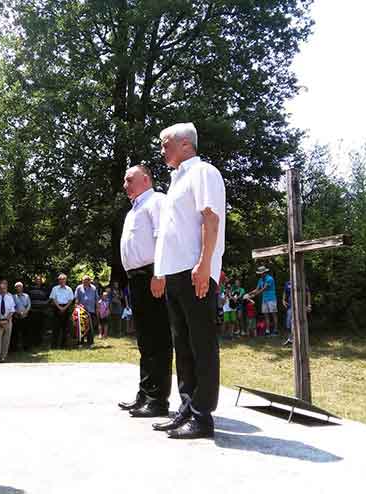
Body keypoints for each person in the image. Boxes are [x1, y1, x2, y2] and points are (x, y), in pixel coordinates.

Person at [151, 122, 225, 439]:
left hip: (195, 270)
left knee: (201, 344)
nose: (161, 149)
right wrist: (161, 271)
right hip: (176, 273)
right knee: (182, 345)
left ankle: (202, 416)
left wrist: (204, 263)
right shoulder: (176, 180)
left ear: (185, 144)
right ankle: (187, 407)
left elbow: (211, 217)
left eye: (165, 143)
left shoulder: (203, 172)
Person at [117, 164, 173, 418]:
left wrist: (159, 273)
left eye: (130, 179)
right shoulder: (135, 208)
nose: (125, 184)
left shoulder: (156, 201)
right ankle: (145, 394)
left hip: (152, 275)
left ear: (146, 179)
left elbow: (164, 238)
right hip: (136, 279)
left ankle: (158, 399)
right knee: (145, 340)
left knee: (158, 339)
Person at [249, 266, 278, 336]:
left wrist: (255, 295)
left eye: (261, 273)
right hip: (264, 299)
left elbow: (264, 289)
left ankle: (275, 330)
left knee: (273, 314)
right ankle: (267, 330)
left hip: (271, 299)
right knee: (266, 315)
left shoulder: (270, 279)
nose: (260, 274)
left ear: (265, 272)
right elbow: (257, 289)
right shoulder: (260, 280)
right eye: (260, 273)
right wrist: (249, 293)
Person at [282, 280, 312, 346]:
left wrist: (309, 305)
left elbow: (308, 293)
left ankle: (300, 340)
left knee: (298, 322)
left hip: (301, 306)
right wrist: (283, 300)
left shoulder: (302, 282)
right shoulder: (288, 283)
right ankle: (290, 339)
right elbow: (285, 292)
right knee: (288, 323)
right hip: (290, 306)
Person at [49, 273, 75, 348]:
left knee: (65, 328)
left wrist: (64, 308)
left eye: (63, 279)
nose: (61, 281)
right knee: (55, 328)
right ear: (58, 280)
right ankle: (54, 346)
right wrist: (59, 308)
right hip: (56, 308)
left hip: (66, 308)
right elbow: (53, 299)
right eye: (60, 279)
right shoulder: (55, 288)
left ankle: (63, 345)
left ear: (66, 280)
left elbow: (71, 300)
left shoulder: (69, 289)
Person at [75, 275, 98, 346]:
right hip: (82, 310)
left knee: (90, 327)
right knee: (81, 327)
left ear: (89, 281)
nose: (85, 282)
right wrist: (77, 306)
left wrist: (97, 308)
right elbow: (76, 299)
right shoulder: (79, 288)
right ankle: (80, 342)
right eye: (83, 281)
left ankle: (90, 342)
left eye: (87, 281)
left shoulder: (94, 288)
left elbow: (96, 299)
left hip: (91, 310)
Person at [27, 277, 50, 346]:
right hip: (33, 311)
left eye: (39, 280)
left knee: (41, 327)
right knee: (33, 328)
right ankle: (33, 342)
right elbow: (28, 299)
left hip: (42, 311)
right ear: (34, 281)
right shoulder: (30, 288)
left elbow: (49, 298)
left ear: (41, 281)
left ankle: (39, 343)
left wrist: (45, 303)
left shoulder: (45, 289)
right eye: (37, 280)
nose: (38, 281)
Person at [12, 281, 31, 351]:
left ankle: (26, 347)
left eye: (20, 287)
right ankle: (14, 348)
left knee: (25, 333)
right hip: (16, 317)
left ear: (22, 288)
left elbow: (29, 305)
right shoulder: (13, 296)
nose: (18, 288)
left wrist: (25, 312)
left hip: (25, 317)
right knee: (15, 334)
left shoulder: (26, 296)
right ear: (15, 288)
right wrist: (18, 312)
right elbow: (12, 307)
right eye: (17, 287)